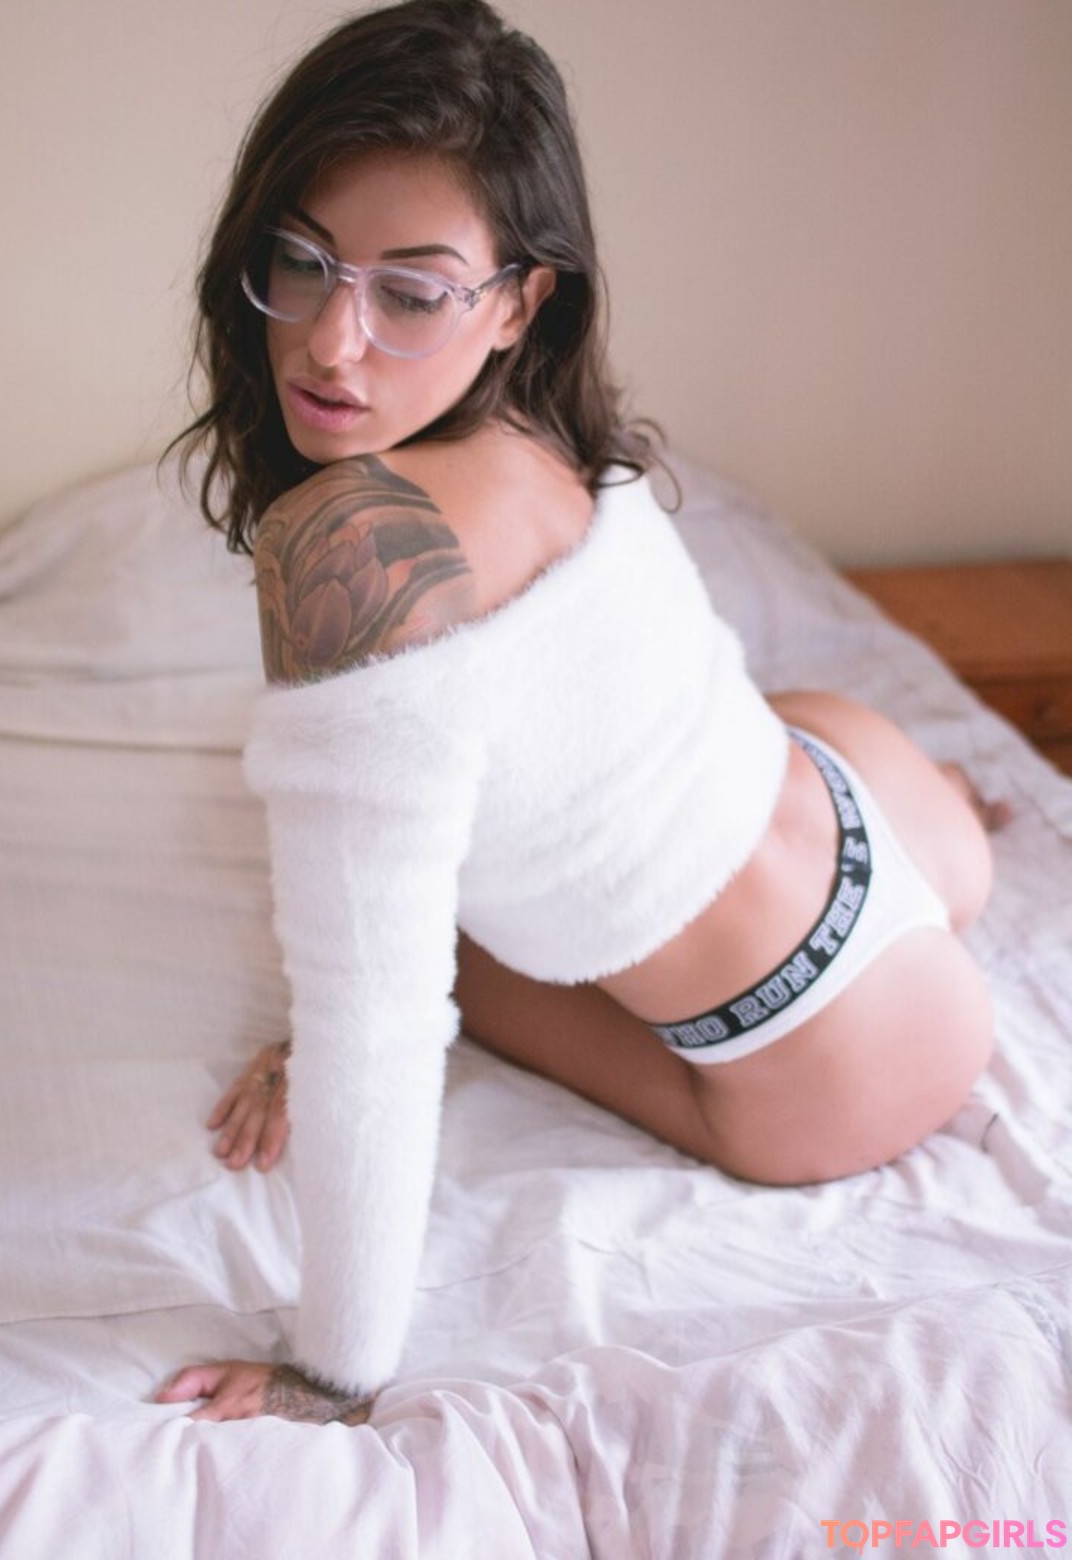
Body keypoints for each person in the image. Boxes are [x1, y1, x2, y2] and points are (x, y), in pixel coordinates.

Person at [156, 0, 1000, 1426]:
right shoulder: (534, 415)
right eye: (299, 260)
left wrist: (333, 1373)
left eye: (410, 293)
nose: (333, 343)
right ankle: (966, 830)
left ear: (518, 300)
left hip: (838, 1056)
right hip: (865, 796)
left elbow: (376, 1015)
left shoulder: (349, 547)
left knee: (442, 955)